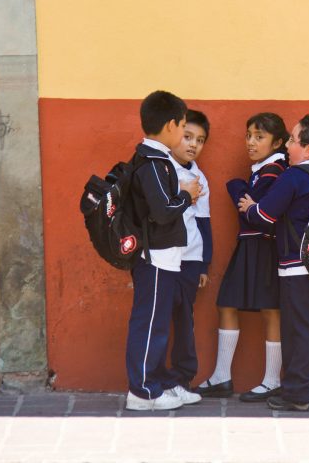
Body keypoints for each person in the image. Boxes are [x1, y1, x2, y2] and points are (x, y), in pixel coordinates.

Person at [239, 114, 309, 411]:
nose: (288, 146)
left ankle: (297, 394)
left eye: (292, 140)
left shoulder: (293, 177)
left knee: (300, 331)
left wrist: (250, 206)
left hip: (299, 267)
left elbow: (265, 216)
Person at [195, 113, 288, 401]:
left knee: (271, 310)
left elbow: (257, 213)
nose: (250, 142)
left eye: (259, 137)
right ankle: (222, 376)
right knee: (227, 303)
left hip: (265, 247)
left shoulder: (275, 170)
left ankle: (272, 380)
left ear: (278, 142)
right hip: (247, 246)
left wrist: (239, 188)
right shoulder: (261, 169)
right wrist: (244, 195)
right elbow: (247, 203)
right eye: (248, 135)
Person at [125, 90, 203, 411]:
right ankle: (142, 392)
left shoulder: (157, 160)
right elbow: (162, 210)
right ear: (171, 125)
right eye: (183, 126)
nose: (183, 133)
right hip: (154, 257)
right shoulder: (153, 162)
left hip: (166, 255)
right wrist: (187, 194)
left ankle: (159, 383)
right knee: (149, 325)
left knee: (158, 325)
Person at [166, 109, 213, 391]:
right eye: (187, 137)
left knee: (185, 319)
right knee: (160, 319)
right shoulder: (161, 170)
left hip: (190, 259)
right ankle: (156, 377)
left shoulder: (200, 178)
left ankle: (182, 378)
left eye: (200, 139)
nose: (193, 144)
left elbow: (204, 222)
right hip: (163, 256)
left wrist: (205, 263)